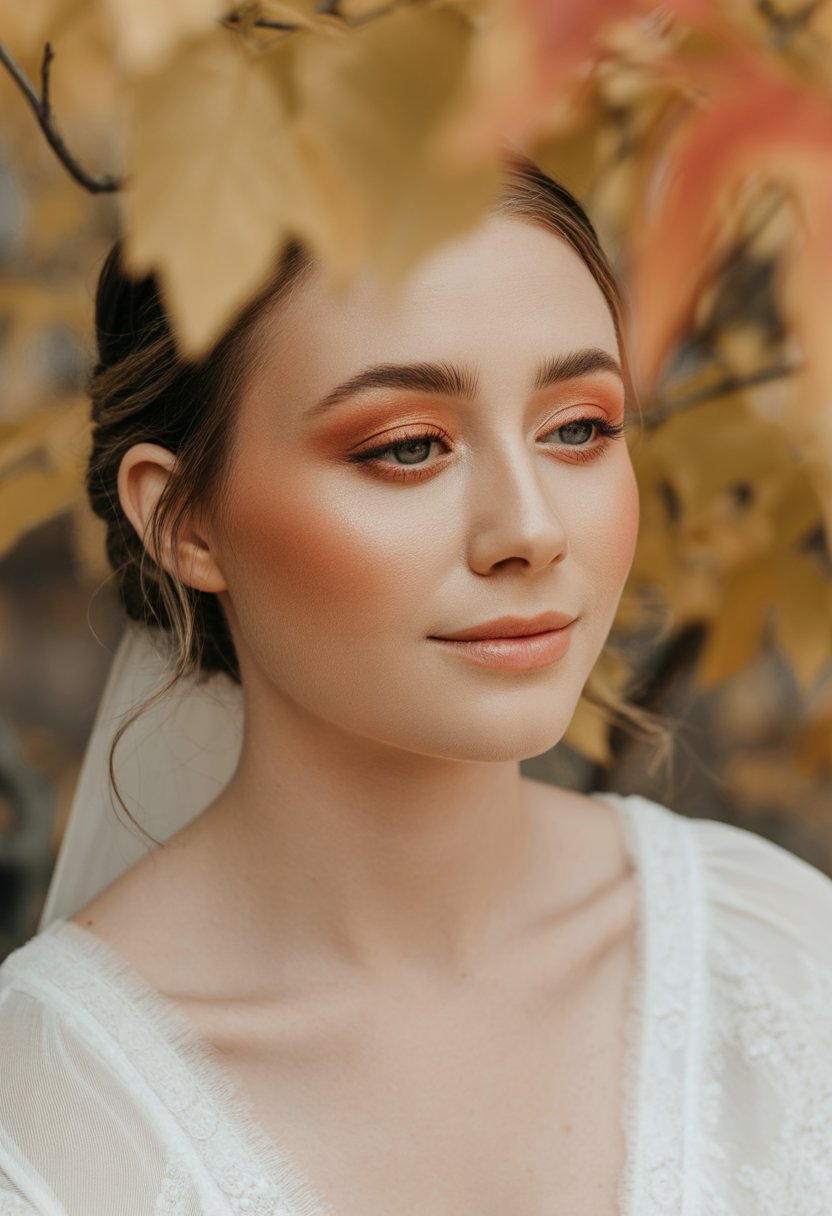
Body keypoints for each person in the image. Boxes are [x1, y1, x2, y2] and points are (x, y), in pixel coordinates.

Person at [0, 157, 830, 1216]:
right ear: (181, 519)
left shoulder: (778, 954)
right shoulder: (48, 1121)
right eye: (407, 448)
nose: (530, 529)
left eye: (579, 428)